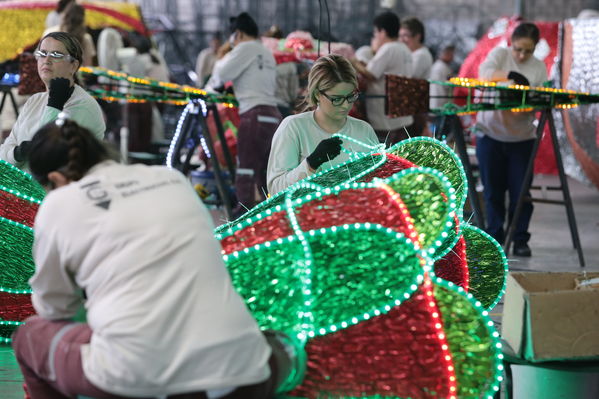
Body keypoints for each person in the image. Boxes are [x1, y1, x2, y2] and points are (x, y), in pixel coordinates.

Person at [11, 117, 305, 399]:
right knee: (278, 344)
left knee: (30, 336)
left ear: (55, 179)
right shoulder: (171, 178)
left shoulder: (59, 202)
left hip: (137, 382)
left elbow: (53, 308)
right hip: (241, 379)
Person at [475, 22, 548, 257]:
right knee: (493, 192)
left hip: (521, 138)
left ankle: (519, 239)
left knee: (520, 193)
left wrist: (525, 101)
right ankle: (495, 238)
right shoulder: (500, 54)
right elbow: (483, 74)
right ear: (511, 43)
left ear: (536, 48)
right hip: (490, 134)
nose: (522, 55)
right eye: (518, 49)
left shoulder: (538, 68)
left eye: (528, 51)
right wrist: (509, 76)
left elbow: (537, 100)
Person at [267, 54, 379, 194]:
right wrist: (311, 164)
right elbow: (275, 189)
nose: (346, 105)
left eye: (351, 96)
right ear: (317, 94)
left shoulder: (364, 130)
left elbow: (379, 181)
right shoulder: (293, 128)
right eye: (336, 99)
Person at [0, 32, 105, 168]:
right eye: (42, 54)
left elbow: (44, 156)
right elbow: (4, 151)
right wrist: (18, 153)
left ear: (73, 66)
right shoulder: (34, 100)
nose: (47, 60)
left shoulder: (84, 105)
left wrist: (54, 105)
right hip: (22, 186)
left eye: (56, 55)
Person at [211, 12, 281, 214]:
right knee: (264, 172)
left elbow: (221, 75)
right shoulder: (266, 51)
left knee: (246, 169)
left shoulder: (244, 48)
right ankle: (268, 216)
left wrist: (218, 85)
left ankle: (242, 218)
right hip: (272, 115)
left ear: (238, 33)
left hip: (254, 114)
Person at [351, 11, 413, 145]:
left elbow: (371, 74)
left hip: (385, 115)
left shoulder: (388, 48)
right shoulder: (405, 49)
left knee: (383, 154)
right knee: (399, 153)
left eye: (376, 33)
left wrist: (353, 61)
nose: (376, 36)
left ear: (383, 32)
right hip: (401, 112)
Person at [399, 17, 433, 138]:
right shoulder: (413, 54)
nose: (402, 40)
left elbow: (407, 77)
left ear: (417, 36)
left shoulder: (421, 55)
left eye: (405, 35)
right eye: (400, 36)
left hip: (416, 108)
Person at [429, 44, 455, 110]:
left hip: (437, 102)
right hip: (441, 103)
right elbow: (447, 85)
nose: (452, 57)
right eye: (451, 54)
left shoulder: (440, 66)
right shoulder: (441, 67)